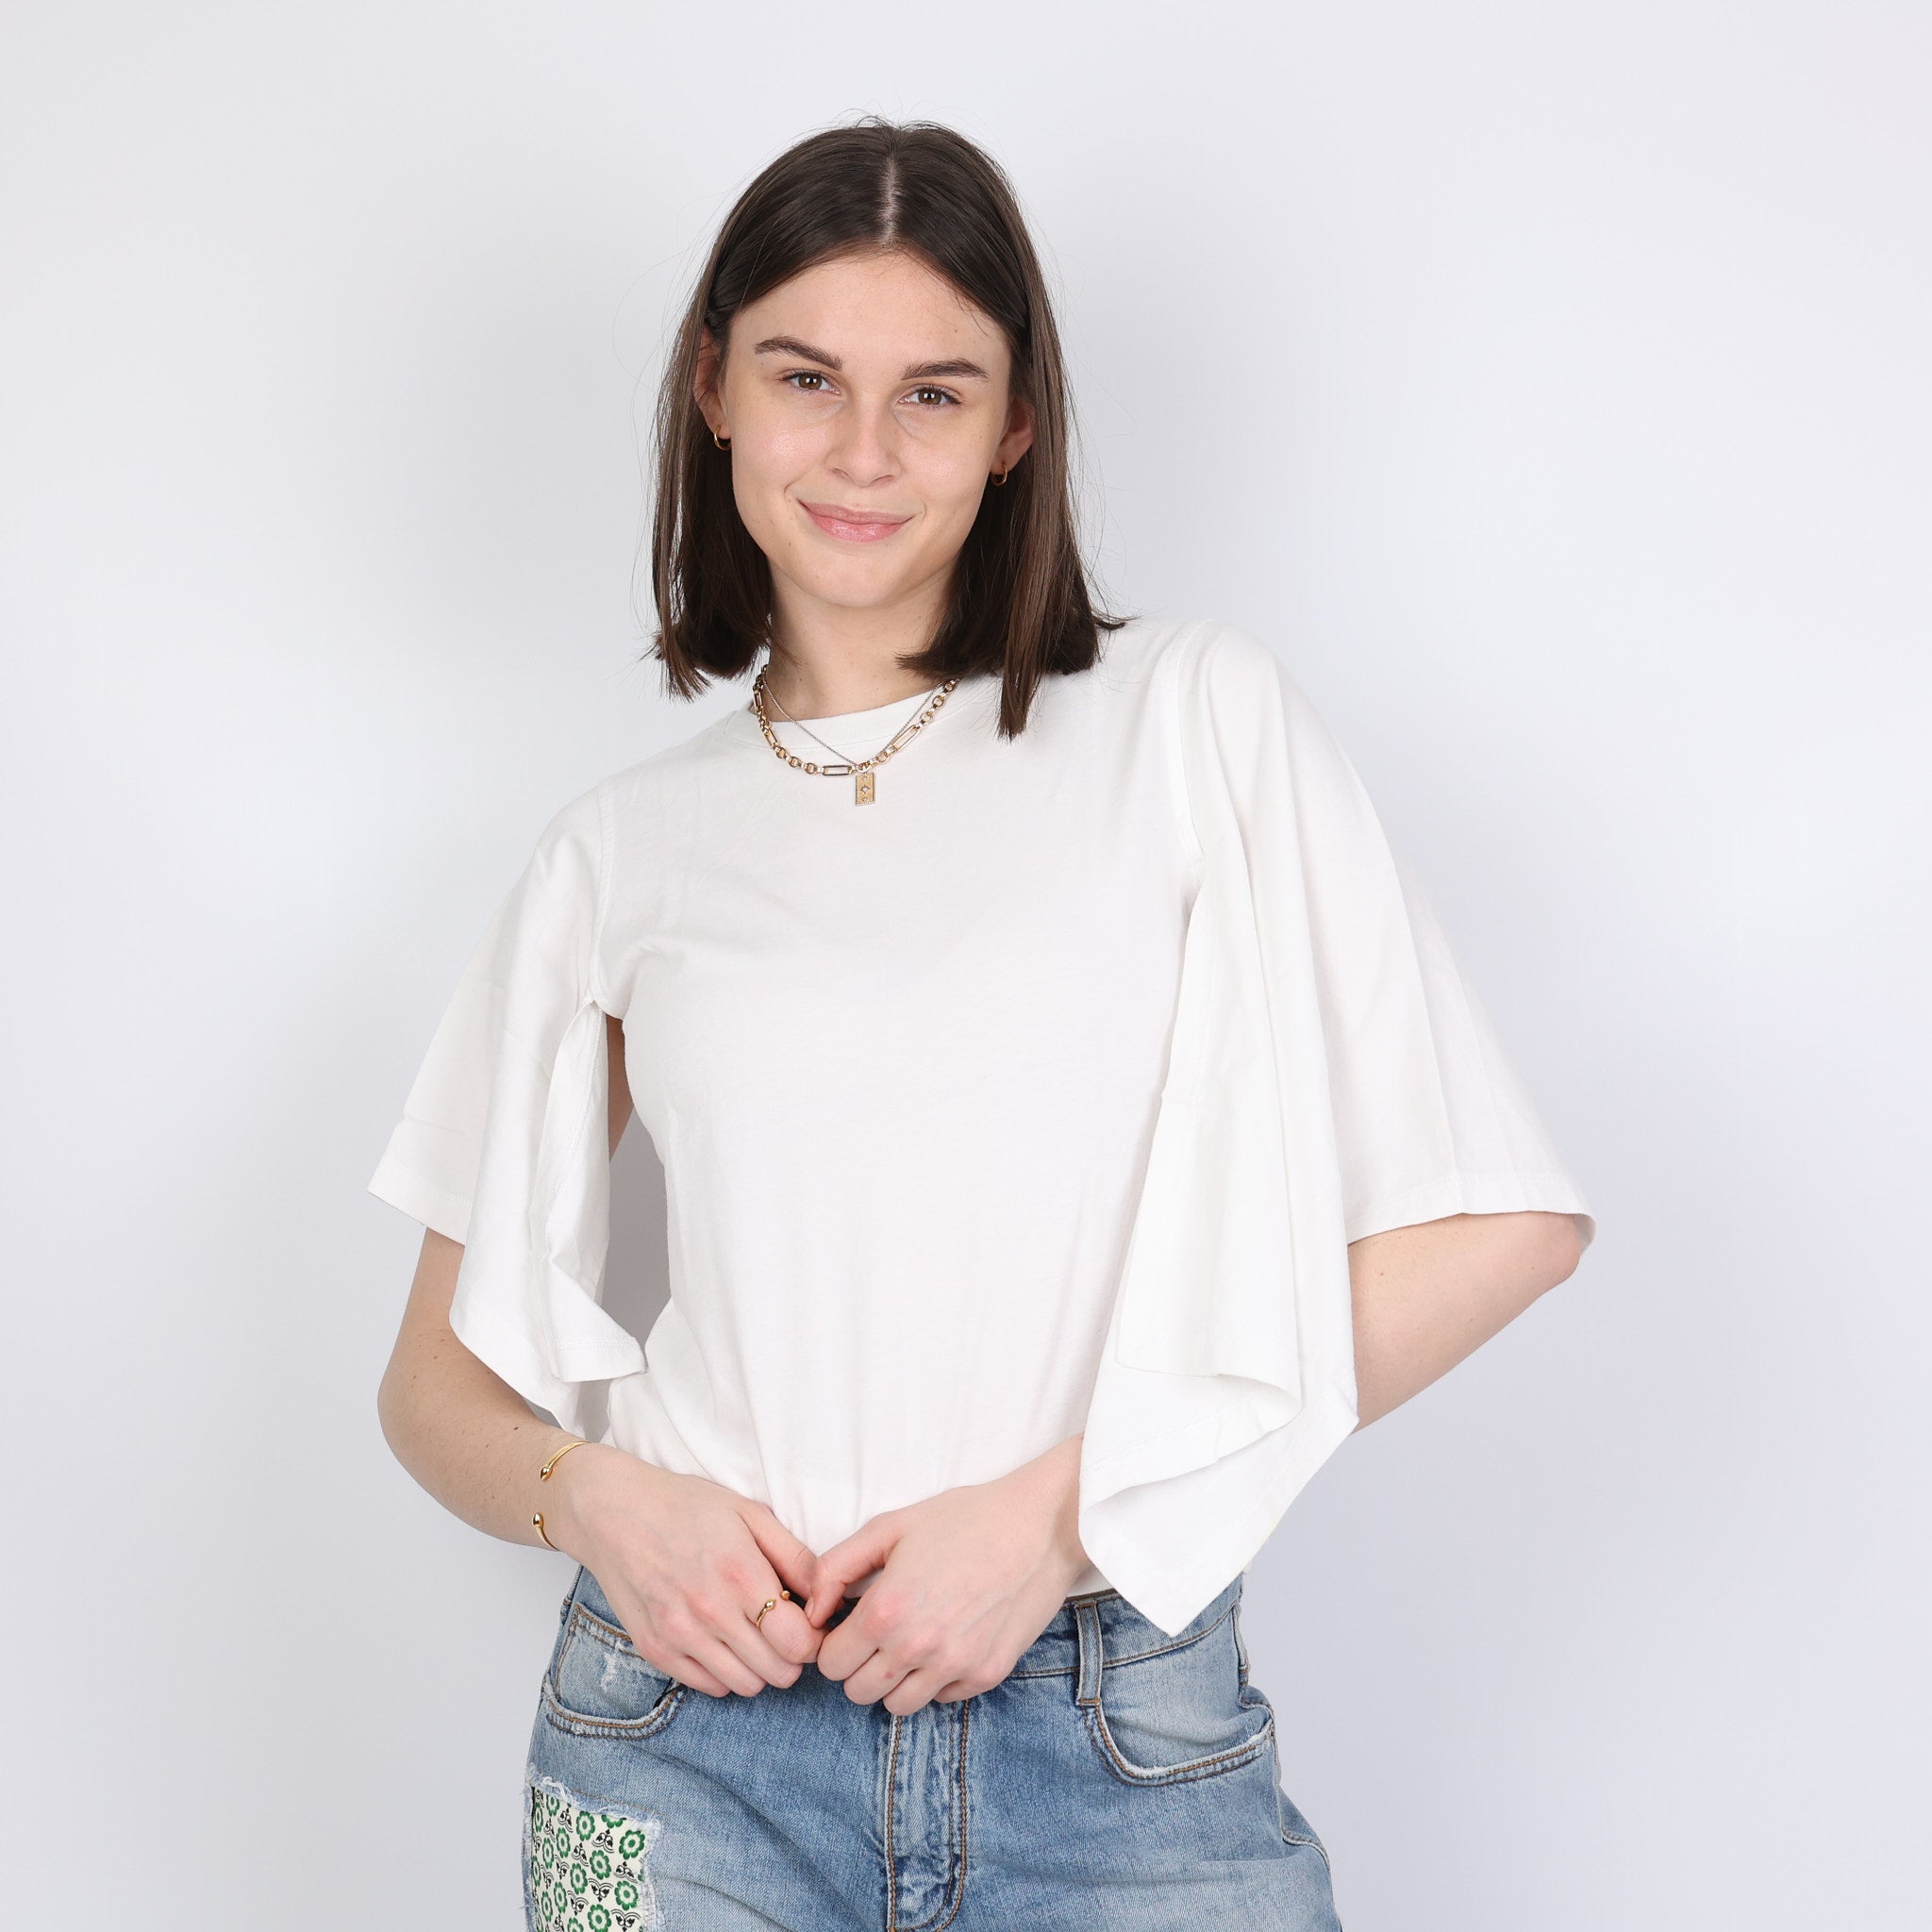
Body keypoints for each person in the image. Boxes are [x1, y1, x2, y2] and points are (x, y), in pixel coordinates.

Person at [370, 118, 1595, 1932]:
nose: (863, 453)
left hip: (1116, 1732)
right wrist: (601, 1503)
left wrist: (1058, 1519)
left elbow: (1500, 1228)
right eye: (805, 378)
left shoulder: (1192, 722)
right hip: (680, 1740)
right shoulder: (615, 853)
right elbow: (432, 1387)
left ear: (1017, 425)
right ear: (713, 389)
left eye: (933, 394)